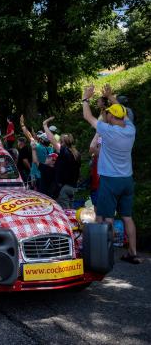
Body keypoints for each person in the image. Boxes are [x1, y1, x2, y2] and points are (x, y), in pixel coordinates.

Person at [82, 84, 139, 264]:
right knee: (127, 217)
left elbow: (87, 116)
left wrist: (85, 99)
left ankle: (105, 255)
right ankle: (133, 252)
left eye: (108, 114)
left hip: (110, 180)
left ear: (112, 116)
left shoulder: (108, 130)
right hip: (127, 180)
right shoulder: (130, 129)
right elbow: (124, 114)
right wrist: (111, 96)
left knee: (107, 217)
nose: (106, 116)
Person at [43, 117, 81, 209]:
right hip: (73, 187)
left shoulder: (65, 151)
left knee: (64, 213)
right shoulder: (76, 153)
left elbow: (52, 139)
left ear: (62, 142)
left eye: (60, 141)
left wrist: (45, 125)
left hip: (64, 188)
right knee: (71, 211)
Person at [20, 115, 53, 189]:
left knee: (36, 192)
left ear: (41, 140)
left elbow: (28, 135)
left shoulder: (37, 147)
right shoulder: (51, 149)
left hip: (36, 175)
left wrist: (22, 124)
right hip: (47, 174)